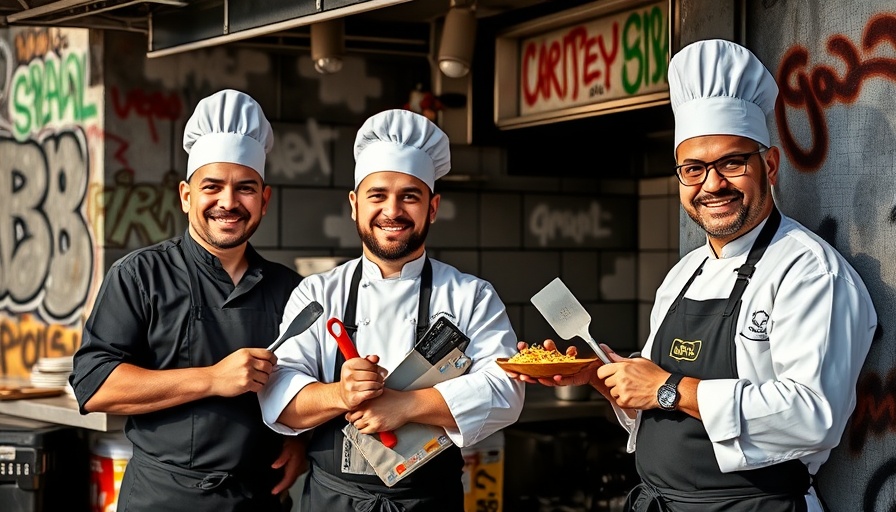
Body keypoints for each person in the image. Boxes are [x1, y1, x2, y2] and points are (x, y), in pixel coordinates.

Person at [508, 39, 877, 512]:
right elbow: (660, 403)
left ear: (769, 165)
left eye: (732, 163)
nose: (713, 184)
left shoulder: (808, 272)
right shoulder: (684, 273)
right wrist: (606, 377)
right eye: (694, 169)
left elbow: (812, 415)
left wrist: (668, 388)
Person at [258, 108, 525, 511]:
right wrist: (341, 394)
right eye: (378, 195)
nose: (393, 210)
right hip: (333, 501)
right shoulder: (317, 293)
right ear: (354, 204)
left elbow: (506, 392)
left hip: (428, 502)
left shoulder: (472, 296)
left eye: (410, 196)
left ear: (432, 207)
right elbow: (278, 398)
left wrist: (406, 406)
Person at [69, 89, 305, 512]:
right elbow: (95, 384)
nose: (228, 202)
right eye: (212, 187)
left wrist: (300, 441)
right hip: (163, 499)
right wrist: (212, 379)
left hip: (259, 499)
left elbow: (308, 384)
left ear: (265, 200)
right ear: (185, 195)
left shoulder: (291, 289)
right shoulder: (140, 275)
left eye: (245, 188)